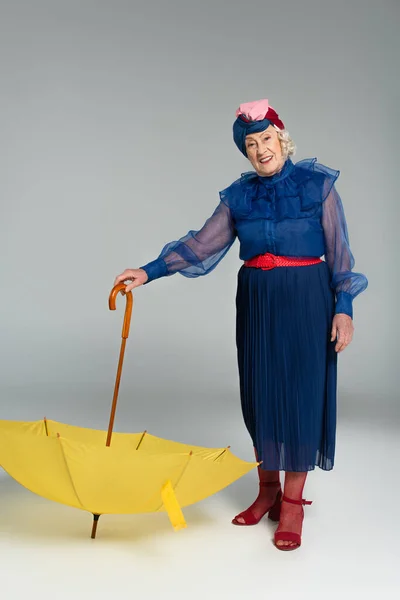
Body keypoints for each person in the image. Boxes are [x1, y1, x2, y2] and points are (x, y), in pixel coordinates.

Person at [113, 98, 368, 551]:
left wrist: (343, 307)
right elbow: (201, 245)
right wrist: (147, 270)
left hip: (308, 300)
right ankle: (266, 488)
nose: (260, 149)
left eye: (266, 139)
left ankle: (291, 501)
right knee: (260, 390)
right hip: (257, 301)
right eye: (250, 144)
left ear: (282, 140)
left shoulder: (317, 186)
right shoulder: (239, 196)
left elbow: (341, 253)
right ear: (245, 152)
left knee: (300, 394)